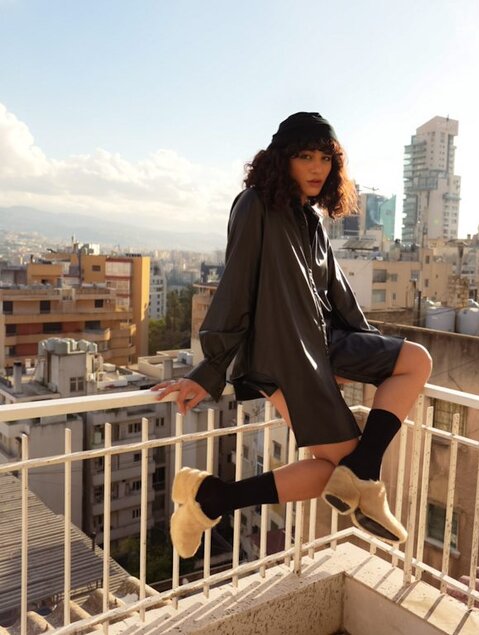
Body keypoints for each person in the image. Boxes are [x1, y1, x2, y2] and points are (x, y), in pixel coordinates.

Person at [153, 112, 432, 559]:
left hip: (322, 344)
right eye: (305, 157)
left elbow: (339, 297)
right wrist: (209, 371)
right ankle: (361, 481)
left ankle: (215, 497)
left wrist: (365, 353)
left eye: (325, 158)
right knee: (339, 465)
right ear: (282, 160)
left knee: (415, 361)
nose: (317, 168)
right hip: (282, 355)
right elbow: (236, 286)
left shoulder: (313, 221)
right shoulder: (255, 205)